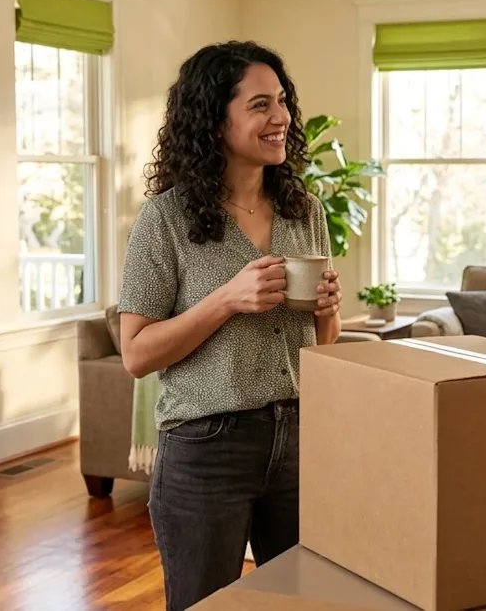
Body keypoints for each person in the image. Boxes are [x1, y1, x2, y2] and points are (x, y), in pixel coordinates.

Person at [116, 41, 343, 610]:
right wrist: (227, 299)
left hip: (295, 439)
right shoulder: (164, 219)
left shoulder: (304, 210)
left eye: (283, 101)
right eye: (261, 104)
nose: (282, 118)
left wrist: (327, 311)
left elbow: (323, 345)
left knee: (302, 602)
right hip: (204, 449)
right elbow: (136, 354)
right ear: (215, 120)